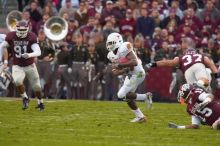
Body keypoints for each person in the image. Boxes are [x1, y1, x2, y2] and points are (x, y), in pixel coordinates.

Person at [106, 32, 152, 123]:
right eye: (108, 43)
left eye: (111, 43)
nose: (109, 45)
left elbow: (134, 62)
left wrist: (121, 65)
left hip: (138, 73)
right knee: (126, 97)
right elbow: (115, 72)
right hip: (130, 74)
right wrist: (124, 70)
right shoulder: (111, 55)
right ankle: (140, 117)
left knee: (121, 94)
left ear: (118, 41)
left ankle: (145, 97)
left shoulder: (124, 47)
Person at [0, 20, 44, 111]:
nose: (22, 32)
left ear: (28, 29)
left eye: (24, 30)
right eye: (20, 30)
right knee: (17, 81)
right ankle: (25, 98)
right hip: (18, 65)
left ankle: (40, 102)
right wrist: (3, 60)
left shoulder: (32, 36)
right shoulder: (11, 36)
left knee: (37, 86)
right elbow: (3, 46)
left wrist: (29, 55)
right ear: (16, 29)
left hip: (30, 65)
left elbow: (38, 52)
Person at [145, 37, 219, 89]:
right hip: (198, 66)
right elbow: (212, 65)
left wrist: (152, 64)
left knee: (195, 91)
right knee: (205, 82)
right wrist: (217, 77)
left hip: (187, 71)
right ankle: (202, 87)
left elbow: (166, 62)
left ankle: (197, 92)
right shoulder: (201, 56)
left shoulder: (181, 57)